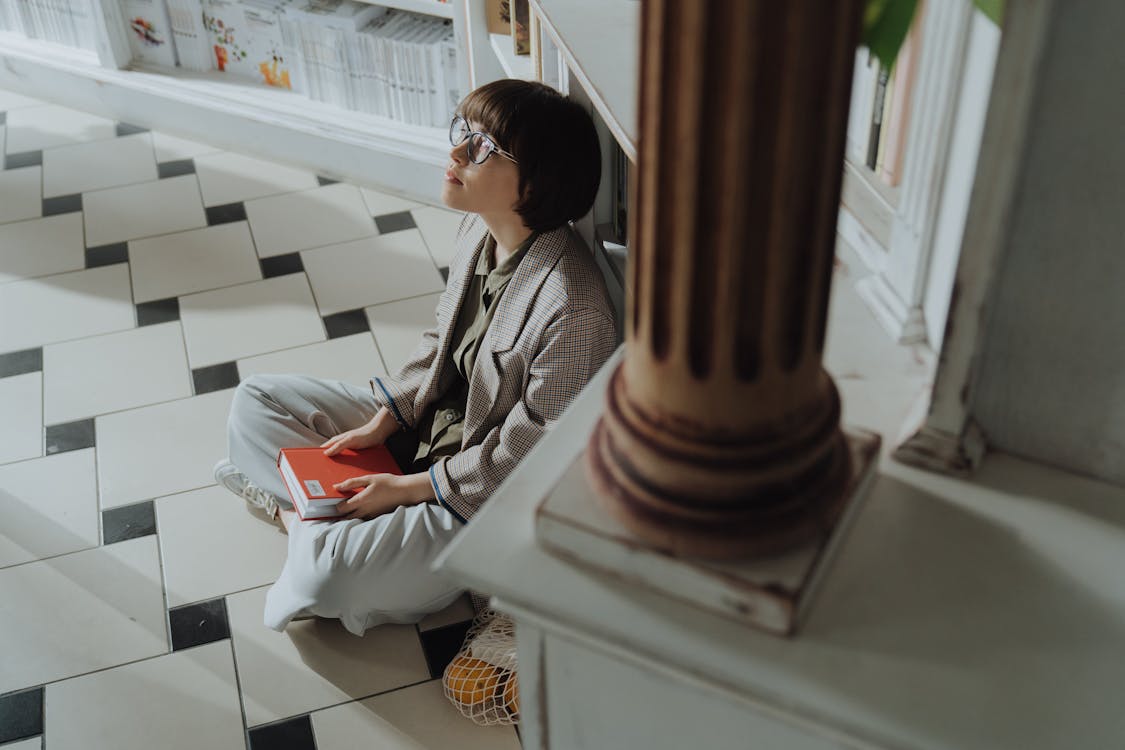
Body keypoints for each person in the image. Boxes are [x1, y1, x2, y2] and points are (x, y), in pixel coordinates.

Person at [213, 79, 617, 636]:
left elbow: (530, 456)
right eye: (462, 133)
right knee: (253, 401)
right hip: (423, 432)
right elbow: (440, 338)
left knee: (327, 577)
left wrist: (410, 490)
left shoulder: (573, 309)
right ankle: (327, 525)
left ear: (537, 181)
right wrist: (389, 417)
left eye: (481, 148)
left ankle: (302, 516)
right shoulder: (478, 228)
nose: (455, 153)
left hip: (472, 491)